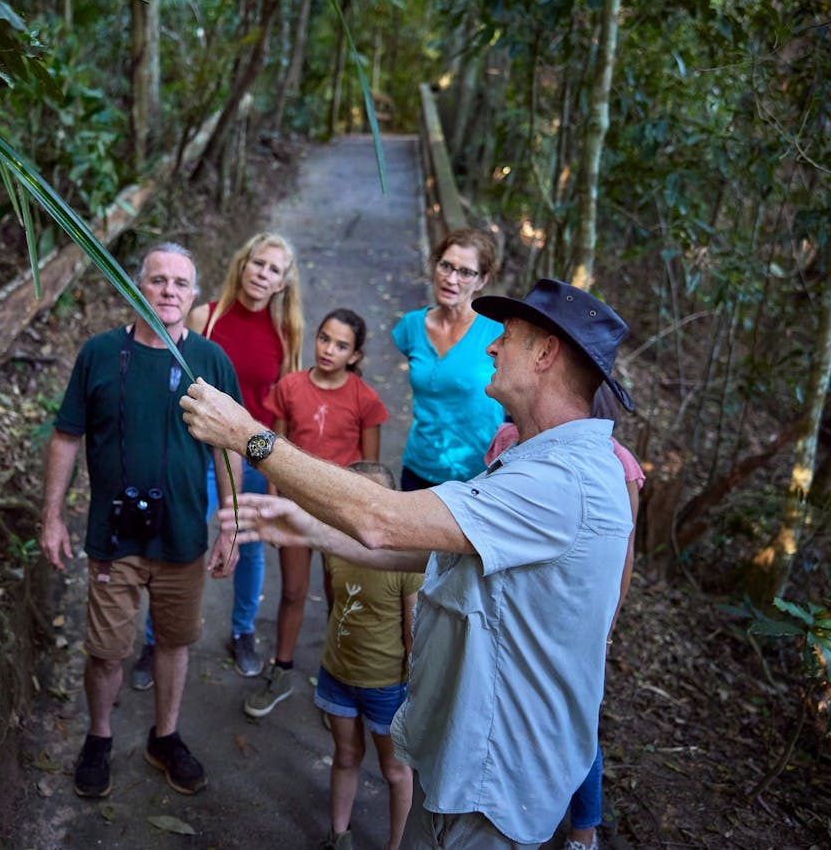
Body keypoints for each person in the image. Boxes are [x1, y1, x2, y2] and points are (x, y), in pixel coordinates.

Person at [180, 278, 637, 848]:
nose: (491, 347)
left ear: (546, 353)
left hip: (494, 787)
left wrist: (248, 436)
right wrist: (305, 524)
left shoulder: (560, 483)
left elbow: (384, 518)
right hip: (461, 766)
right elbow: (432, 543)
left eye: (508, 338)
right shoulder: (532, 458)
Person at [40, 243, 242, 799]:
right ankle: (99, 738)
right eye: (157, 281)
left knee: (175, 643)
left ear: (195, 295)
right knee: (106, 649)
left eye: (180, 283)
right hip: (113, 534)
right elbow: (65, 436)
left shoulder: (211, 361)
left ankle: (165, 736)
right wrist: (52, 516)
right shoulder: (100, 354)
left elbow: (232, 448)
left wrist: (230, 524)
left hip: (182, 536)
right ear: (136, 287)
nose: (168, 292)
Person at [135, 232, 303, 686]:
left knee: (247, 545)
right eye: (257, 264)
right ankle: (155, 639)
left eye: (273, 269)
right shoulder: (204, 316)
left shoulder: (287, 333)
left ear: (283, 282)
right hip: (200, 450)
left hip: (253, 454)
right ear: (242, 264)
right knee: (180, 539)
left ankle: (243, 630)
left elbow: (282, 404)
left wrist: (278, 471)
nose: (262, 275)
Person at [483, 385, 645, 850]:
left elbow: (623, 556)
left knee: (575, 721)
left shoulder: (617, 463)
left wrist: (606, 628)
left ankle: (583, 829)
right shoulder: (509, 439)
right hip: (517, 612)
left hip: (576, 618)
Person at [245, 308, 388, 718]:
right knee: (292, 591)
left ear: (356, 355)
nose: (329, 349)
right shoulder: (289, 387)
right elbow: (275, 449)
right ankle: (283, 670)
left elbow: (371, 472)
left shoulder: (365, 399)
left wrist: (358, 519)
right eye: (324, 338)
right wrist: (275, 504)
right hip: (293, 507)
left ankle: (339, 686)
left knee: (339, 595)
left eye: (341, 345)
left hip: (340, 514)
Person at [317, 460, 419, 850]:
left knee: (395, 770)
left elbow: (413, 635)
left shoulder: (407, 562)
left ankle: (396, 845)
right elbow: (337, 604)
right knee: (345, 755)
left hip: (387, 687)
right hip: (337, 674)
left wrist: (411, 691)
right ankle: (338, 835)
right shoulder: (336, 547)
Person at [392, 228, 504, 491]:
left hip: (479, 475)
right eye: (446, 266)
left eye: (465, 272)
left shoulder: (498, 332)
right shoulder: (411, 326)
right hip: (419, 467)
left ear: (481, 281)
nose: (451, 279)